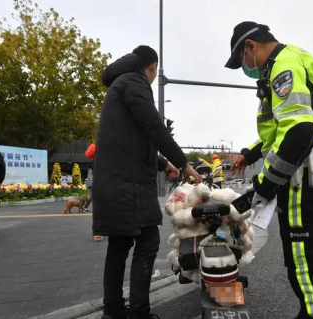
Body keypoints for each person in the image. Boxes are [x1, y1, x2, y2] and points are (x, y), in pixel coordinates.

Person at [226, 22, 313, 319]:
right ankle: (310, 312)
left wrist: (264, 186)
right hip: (308, 173)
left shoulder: (283, 65)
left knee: (303, 258)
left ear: (250, 47)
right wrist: (250, 153)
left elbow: (299, 131)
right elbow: (283, 129)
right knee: (300, 255)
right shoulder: (291, 59)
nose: (246, 68)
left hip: (306, 177)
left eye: (242, 62)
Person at [92, 45, 202, 319]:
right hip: (128, 184)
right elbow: (153, 125)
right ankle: (139, 312)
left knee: (118, 247)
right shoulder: (134, 82)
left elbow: (130, 139)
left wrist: (164, 163)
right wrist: (184, 162)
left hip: (115, 180)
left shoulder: (120, 84)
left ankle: (114, 311)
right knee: (149, 240)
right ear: (152, 67)